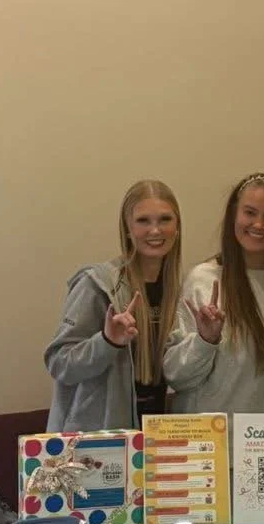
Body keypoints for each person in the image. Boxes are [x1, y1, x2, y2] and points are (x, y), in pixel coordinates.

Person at [45, 179, 183, 430]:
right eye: (143, 221)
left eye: (165, 219)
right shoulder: (97, 285)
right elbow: (59, 363)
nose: (155, 230)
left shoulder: (180, 290)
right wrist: (106, 342)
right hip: (101, 443)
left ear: (177, 227)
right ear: (128, 229)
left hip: (155, 436)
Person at [167, 172, 264, 414]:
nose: (258, 225)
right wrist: (205, 340)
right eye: (250, 213)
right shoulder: (204, 280)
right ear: (234, 214)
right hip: (215, 443)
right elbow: (177, 376)